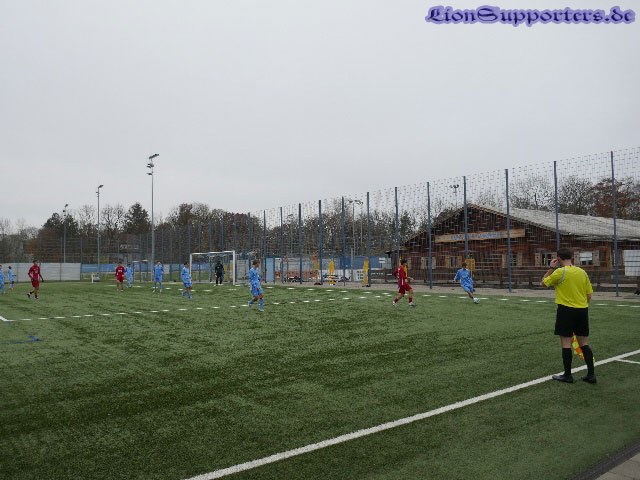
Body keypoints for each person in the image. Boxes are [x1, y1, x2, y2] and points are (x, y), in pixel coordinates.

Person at [542, 248, 596, 384]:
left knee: (566, 343)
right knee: (584, 343)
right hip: (582, 310)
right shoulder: (582, 272)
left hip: (566, 311)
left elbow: (543, 283)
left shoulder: (560, 272)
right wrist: (581, 305)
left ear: (558, 258)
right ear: (572, 257)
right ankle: (591, 375)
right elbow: (589, 294)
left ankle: (567, 375)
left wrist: (551, 268)